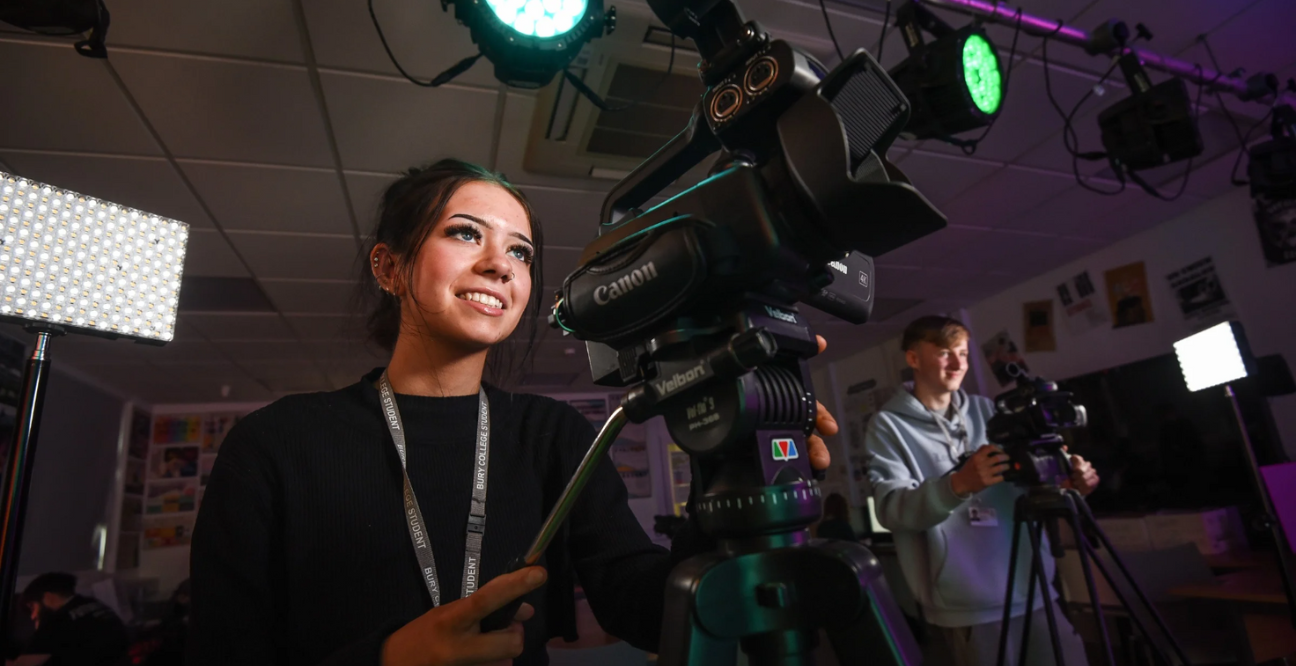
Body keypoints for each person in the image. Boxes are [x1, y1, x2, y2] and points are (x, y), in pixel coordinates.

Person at [187, 159, 838, 666]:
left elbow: (641, 607)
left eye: (521, 252)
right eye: (465, 233)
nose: (499, 264)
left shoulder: (550, 435)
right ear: (389, 267)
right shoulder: (274, 444)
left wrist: (725, 469)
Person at [864, 316, 1100, 666]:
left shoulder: (988, 411)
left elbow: (1023, 486)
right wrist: (957, 485)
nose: (959, 363)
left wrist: (1067, 482)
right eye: (945, 353)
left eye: (963, 352)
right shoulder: (888, 426)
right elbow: (890, 510)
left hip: (1035, 586)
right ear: (913, 359)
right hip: (966, 604)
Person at [9, 572, 127, 666]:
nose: (33, 616)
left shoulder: (57, 623)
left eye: (32, 607)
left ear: (48, 597)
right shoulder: (94, 604)